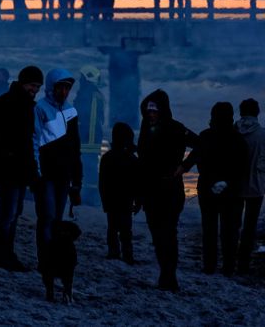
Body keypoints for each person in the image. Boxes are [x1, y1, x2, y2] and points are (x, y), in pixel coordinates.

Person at [136, 89, 198, 292]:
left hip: (170, 189)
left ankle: (169, 277)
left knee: (168, 234)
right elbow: (142, 162)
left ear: (163, 110)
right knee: (156, 234)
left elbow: (200, 144)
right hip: (150, 189)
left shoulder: (176, 128)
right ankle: (165, 273)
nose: (151, 114)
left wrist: (184, 166)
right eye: (148, 111)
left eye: (154, 110)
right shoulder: (146, 128)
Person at [179, 102, 246, 276]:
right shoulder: (238, 139)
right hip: (230, 191)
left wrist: (181, 169)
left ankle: (209, 265)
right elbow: (242, 168)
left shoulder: (206, 136)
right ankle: (228, 267)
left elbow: (193, 157)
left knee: (209, 228)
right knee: (229, 230)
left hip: (207, 187)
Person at [0, 65, 42, 270]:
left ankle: (5, 254)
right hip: (10, 168)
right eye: (32, 85)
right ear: (22, 82)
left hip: (15, 168)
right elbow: (15, 141)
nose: (35, 89)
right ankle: (2, 255)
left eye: (37, 86)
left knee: (12, 213)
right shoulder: (14, 105)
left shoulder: (17, 104)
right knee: (9, 213)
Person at [32, 68, 82, 273]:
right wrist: (35, 172)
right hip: (45, 175)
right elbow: (34, 141)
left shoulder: (71, 111)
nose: (64, 91)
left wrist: (77, 180)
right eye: (60, 87)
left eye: (67, 88)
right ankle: (44, 260)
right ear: (51, 87)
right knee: (47, 218)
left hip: (64, 175)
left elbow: (75, 147)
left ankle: (53, 260)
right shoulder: (40, 108)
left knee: (58, 221)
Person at [235, 98, 265, 273]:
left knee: (233, 223)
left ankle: (230, 259)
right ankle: (244, 263)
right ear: (257, 113)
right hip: (256, 185)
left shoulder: (233, 130)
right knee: (250, 225)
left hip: (234, 184)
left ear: (241, 112)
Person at [99, 122, 141, 264]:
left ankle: (114, 252)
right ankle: (126, 254)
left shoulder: (107, 158)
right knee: (125, 230)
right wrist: (138, 200)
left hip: (113, 200)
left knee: (113, 228)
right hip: (125, 200)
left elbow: (102, 183)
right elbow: (137, 183)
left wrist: (104, 201)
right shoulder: (132, 159)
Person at [73, 65, 104, 206]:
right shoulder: (91, 93)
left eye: (81, 78)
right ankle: (86, 196)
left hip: (88, 139)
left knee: (88, 167)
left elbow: (92, 119)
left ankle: (90, 198)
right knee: (86, 167)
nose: (79, 80)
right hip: (87, 137)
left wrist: (87, 140)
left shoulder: (90, 94)